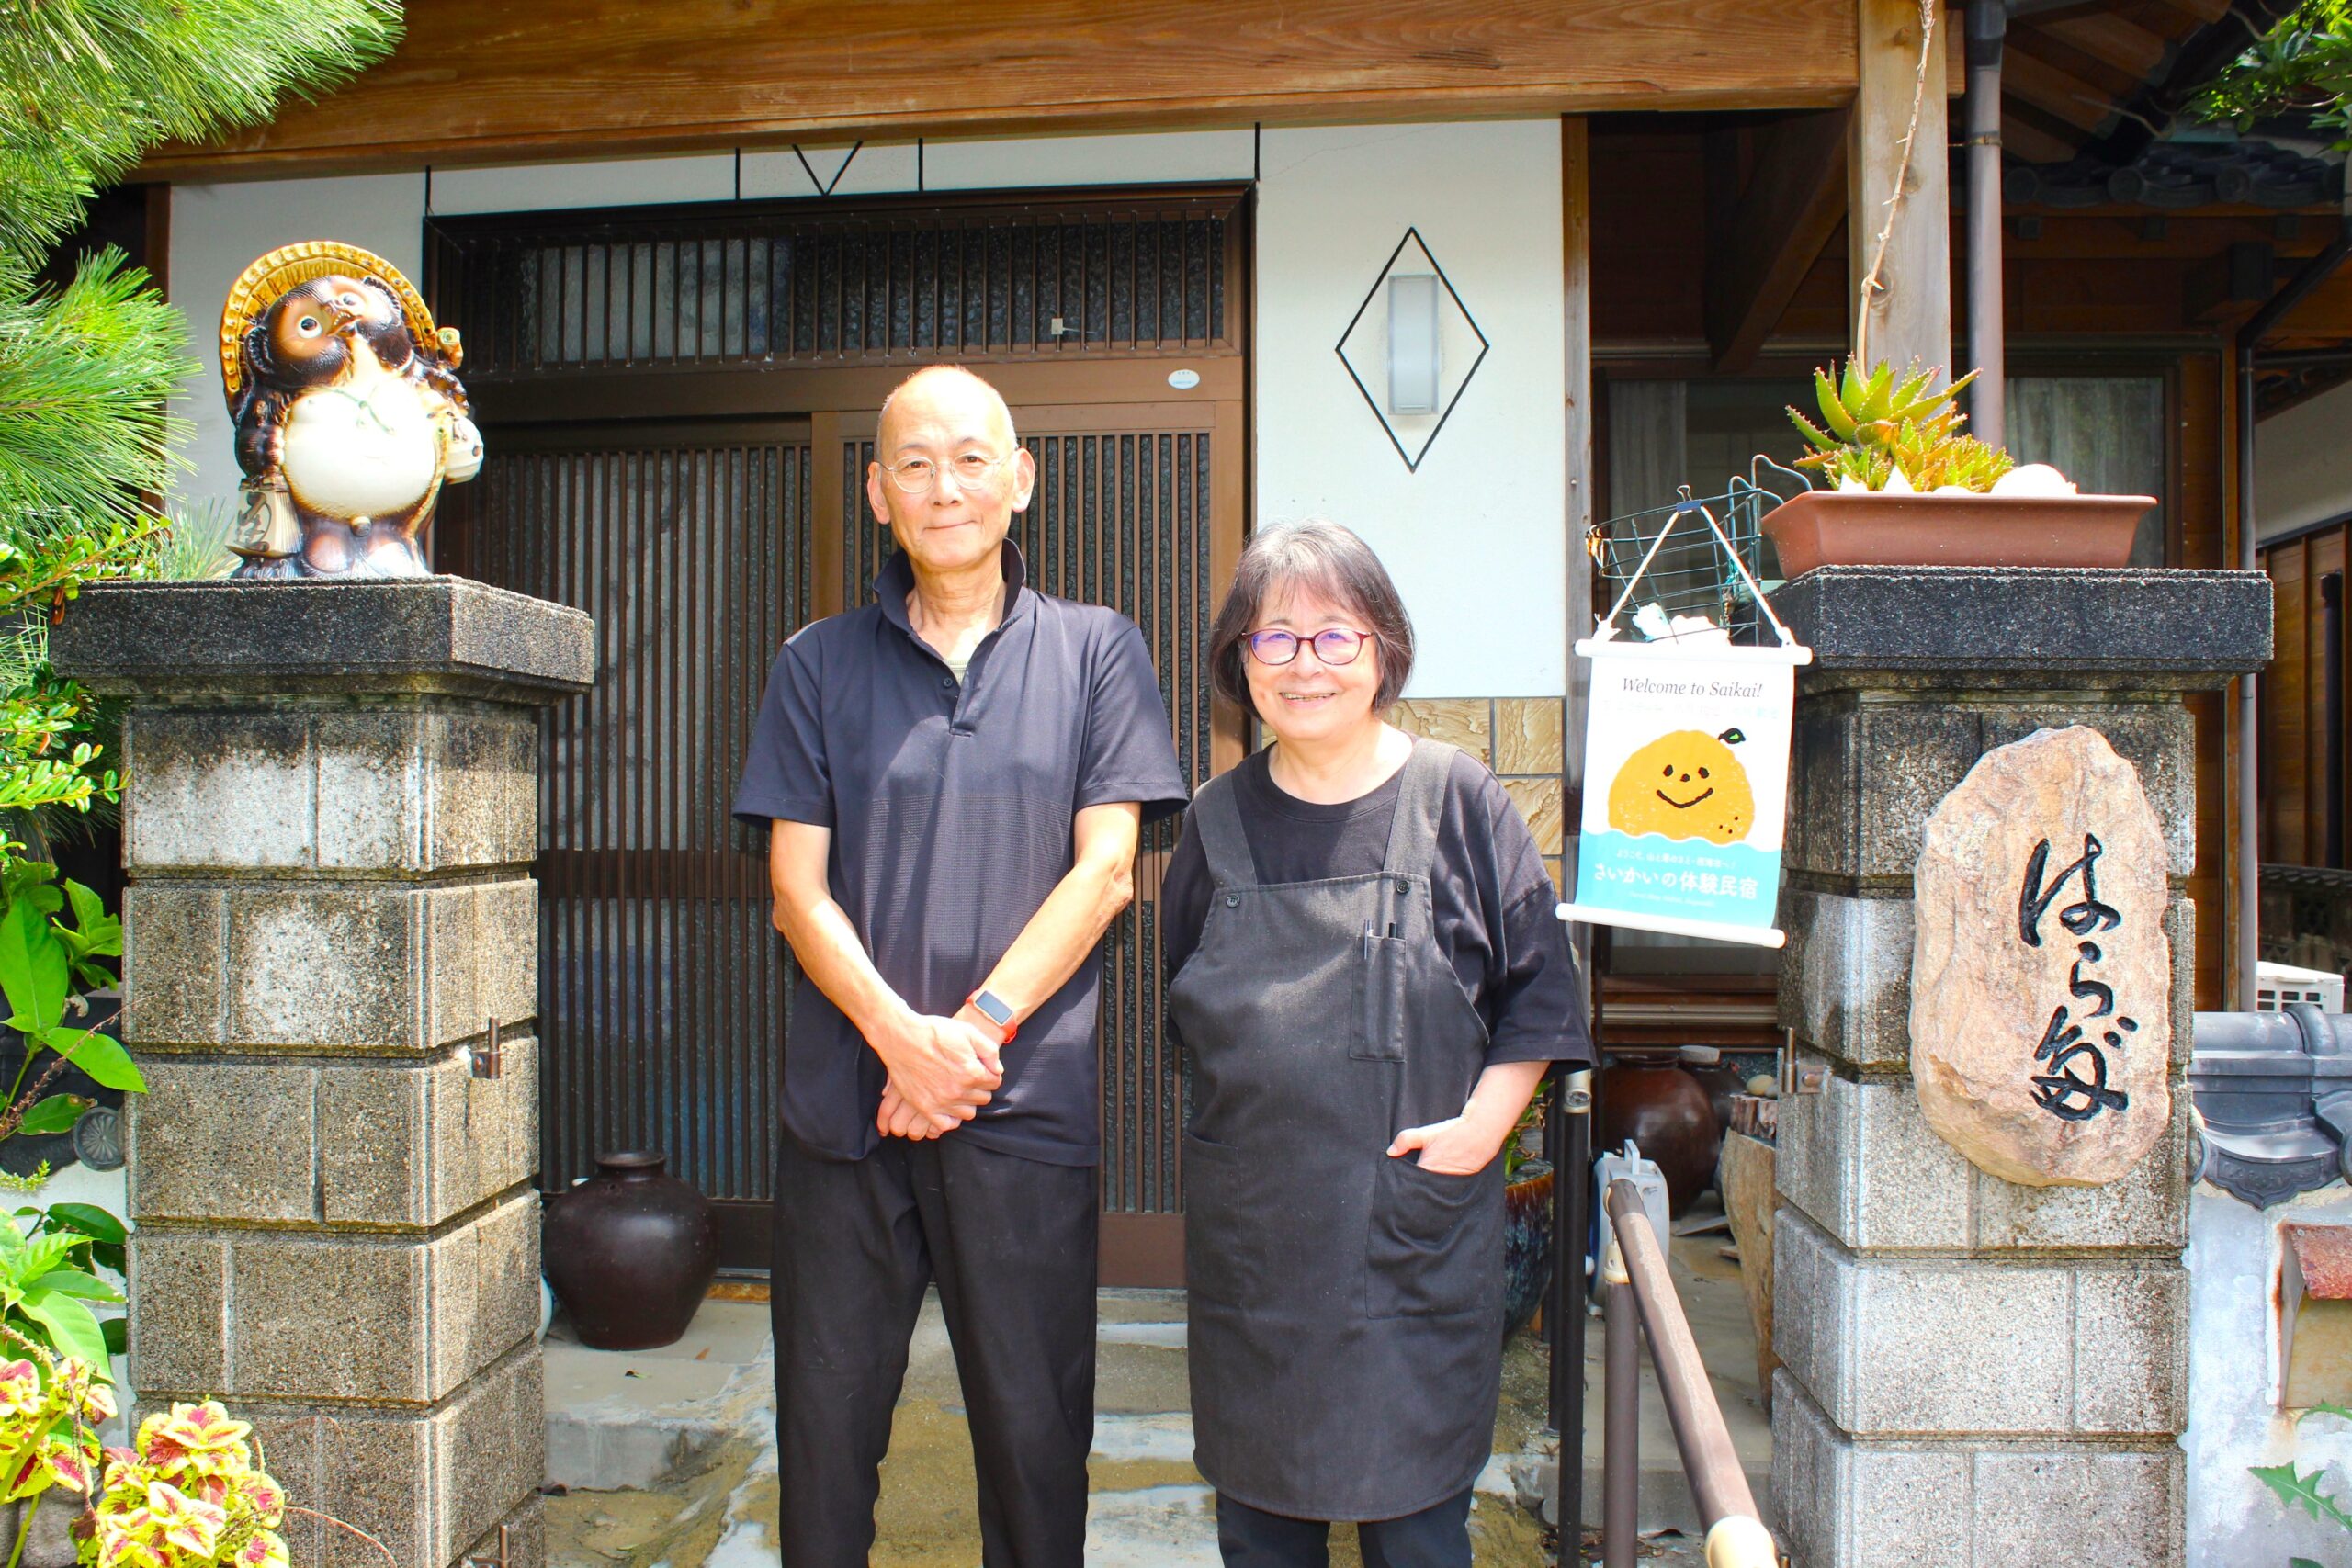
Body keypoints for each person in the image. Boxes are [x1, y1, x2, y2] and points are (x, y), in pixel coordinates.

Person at [732, 364, 1189, 1568]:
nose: (946, 487)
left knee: (1036, 1444)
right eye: (916, 464)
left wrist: (970, 1033)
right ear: (877, 492)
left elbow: (1106, 869)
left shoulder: (1096, 651)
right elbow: (794, 890)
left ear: (1020, 479)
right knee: (825, 1442)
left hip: (1020, 1106)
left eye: (972, 459)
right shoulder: (816, 663)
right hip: (847, 1114)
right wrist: (903, 1040)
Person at [1160, 519, 1594, 1568]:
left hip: (1412, 1246)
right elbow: (1186, 1009)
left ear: (1382, 649)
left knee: (1417, 1536)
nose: (1304, 665)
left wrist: (1481, 1130)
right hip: (1260, 1252)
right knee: (1260, 1533)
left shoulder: (1459, 801)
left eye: (1334, 635)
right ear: (1240, 661)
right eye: (1274, 638)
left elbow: (1541, 992)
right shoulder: (1212, 822)